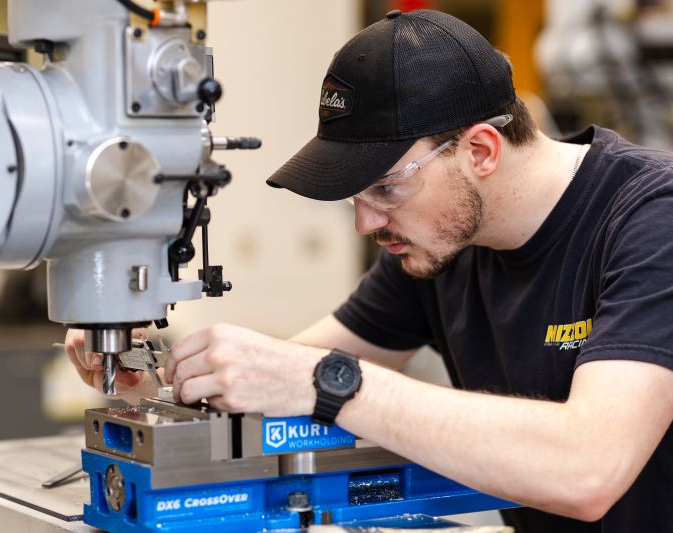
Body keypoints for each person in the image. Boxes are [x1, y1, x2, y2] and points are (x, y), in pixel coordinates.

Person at [66, 9, 673, 532]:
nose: (365, 224)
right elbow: (278, 385)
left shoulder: (650, 220)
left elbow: (589, 469)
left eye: (384, 187)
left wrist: (331, 383)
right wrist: (159, 381)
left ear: (481, 151)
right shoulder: (438, 248)